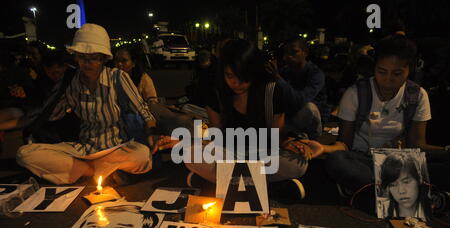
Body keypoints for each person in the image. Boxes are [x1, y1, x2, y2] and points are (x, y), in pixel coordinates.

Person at [179, 39, 323, 199]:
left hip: (262, 154)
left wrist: (291, 144)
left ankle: (219, 183)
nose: (237, 83)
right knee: (190, 153)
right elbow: (218, 137)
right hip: (230, 154)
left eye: (244, 76)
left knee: (298, 164)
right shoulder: (216, 92)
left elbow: (276, 138)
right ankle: (270, 188)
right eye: (230, 75)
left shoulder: (272, 91)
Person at [16, 24, 158, 186]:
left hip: (117, 148)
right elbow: (50, 113)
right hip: (84, 148)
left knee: (142, 155)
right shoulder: (70, 81)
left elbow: (144, 112)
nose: (87, 63)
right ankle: (95, 171)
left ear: (104, 58)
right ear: (75, 57)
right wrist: (20, 119)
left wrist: (151, 133)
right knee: (24, 153)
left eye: (94, 58)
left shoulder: (117, 77)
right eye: (82, 57)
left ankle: (85, 170)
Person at [318, 35, 450, 197]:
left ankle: (367, 191)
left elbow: (417, 145)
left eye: (397, 73)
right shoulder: (356, 93)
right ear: (374, 68)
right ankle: (398, 192)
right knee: (336, 161)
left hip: (397, 163)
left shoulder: (417, 96)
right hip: (362, 160)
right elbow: (344, 144)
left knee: (444, 169)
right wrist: (323, 148)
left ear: (410, 70)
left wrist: (445, 151)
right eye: (382, 72)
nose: (388, 80)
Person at [265, 37, 328, 139]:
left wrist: (277, 78)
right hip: (292, 117)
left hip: (311, 121)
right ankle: (292, 134)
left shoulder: (315, 74)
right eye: (286, 52)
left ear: (305, 53)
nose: (289, 56)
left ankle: (296, 134)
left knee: (309, 107)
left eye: (294, 52)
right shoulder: (285, 71)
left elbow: (300, 100)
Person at [379, 152, 431, 220]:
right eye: (393, 185)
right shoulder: (383, 211)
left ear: (419, 180)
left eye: (406, 182)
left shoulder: (429, 210)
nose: (401, 191)